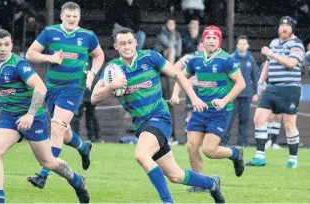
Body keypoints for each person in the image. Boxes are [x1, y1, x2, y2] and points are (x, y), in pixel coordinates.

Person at [91, 27, 225, 203]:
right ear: (116, 46)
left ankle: (167, 202)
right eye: (122, 43)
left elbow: (177, 73)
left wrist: (194, 98)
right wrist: (111, 86)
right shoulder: (113, 69)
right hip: (141, 126)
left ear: (136, 42)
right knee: (175, 175)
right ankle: (211, 183)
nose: (127, 46)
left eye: (130, 42)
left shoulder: (149, 57)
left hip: (159, 117)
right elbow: (94, 97)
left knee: (141, 155)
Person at [0, 29, 89, 203]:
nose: (3, 48)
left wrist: (29, 115)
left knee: (48, 162)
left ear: (11, 46)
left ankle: (77, 181)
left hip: (33, 118)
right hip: (9, 119)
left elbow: (41, 88)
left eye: (7, 45)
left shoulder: (19, 65)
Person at [25, 1, 105, 189]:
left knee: (56, 128)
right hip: (52, 87)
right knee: (63, 130)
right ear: (62, 16)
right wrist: (50, 58)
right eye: (68, 16)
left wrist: (92, 74)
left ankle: (43, 175)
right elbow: (30, 54)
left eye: (75, 17)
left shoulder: (87, 36)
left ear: (79, 17)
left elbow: (99, 55)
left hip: (74, 87)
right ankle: (83, 147)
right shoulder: (50, 32)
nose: (71, 20)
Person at [170, 26, 246, 193]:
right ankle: (200, 184)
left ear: (219, 41)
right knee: (191, 146)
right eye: (208, 38)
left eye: (214, 38)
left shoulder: (226, 59)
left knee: (209, 151)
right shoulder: (195, 59)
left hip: (220, 111)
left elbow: (241, 83)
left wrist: (225, 100)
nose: (211, 41)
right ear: (202, 41)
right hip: (200, 110)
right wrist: (175, 94)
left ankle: (235, 153)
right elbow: (181, 78)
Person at [246, 16, 305, 168]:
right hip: (272, 87)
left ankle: (293, 159)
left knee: (289, 124)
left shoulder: (297, 44)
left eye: (287, 26)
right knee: (259, 118)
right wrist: (260, 82)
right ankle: (260, 157)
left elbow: (291, 63)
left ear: (292, 29)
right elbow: (268, 63)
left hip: (290, 88)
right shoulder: (274, 43)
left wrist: (271, 53)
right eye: (282, 26)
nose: (284, 29)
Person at [221, 35, 259, 147]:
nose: (242, 46)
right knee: (229, 119)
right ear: (237, 45)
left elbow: (255, 77)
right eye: (240, 44)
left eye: (244, 44)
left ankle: (242, 144)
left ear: (247, 45)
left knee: (244, 120)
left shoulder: (251, 59)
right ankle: (224, 142)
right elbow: (226, 77)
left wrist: (256, 93)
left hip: (247, 95)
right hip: (233, 95)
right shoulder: (231, 58)